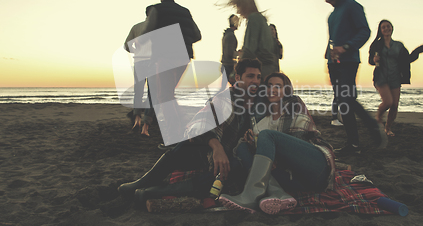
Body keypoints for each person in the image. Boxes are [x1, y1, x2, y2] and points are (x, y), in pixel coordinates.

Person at [118, 58, 264, 207]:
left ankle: (153, 192)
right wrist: (216, 147)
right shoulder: (225, 99)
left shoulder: (259, 104)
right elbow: (201, 122)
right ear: (238, 78)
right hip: (210, 154)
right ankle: (142, 183)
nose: (256, 81)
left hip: (232, 160)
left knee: (233, 166)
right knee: (186, 145)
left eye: (259, 77)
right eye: (250, 76)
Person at [218, 72, 336, 214]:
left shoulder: (294, 105)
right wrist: (251, 143)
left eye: (278, 86)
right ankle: (279, 193)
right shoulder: (259, 119)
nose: (272, 90)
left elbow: (301, 139)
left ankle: (251, 195)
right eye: (269, 86)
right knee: (242, 146)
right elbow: (260, 153)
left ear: (286, 90)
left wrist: (274, 156)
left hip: (314, 168)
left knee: (267, 135)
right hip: (294, 179)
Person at [316, 0, 388, 155]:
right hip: (333, 63)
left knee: (347, 99)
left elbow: (365, 31)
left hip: (349, 61)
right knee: (343, 102)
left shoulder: (352, 6)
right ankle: (353, 145)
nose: (327, 1)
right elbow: (333, 40)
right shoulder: (332, 15)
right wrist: (328, 57)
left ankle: (373, 127)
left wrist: (346, 47)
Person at [139, 0, 202, 140]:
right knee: (168, 95)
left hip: (165, 57)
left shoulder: (157, 9)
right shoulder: (185, 12)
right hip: (183, 57)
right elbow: (197, 35)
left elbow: (147, 31)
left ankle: (177, 134)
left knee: (163, 96)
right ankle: (181, 129)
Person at [368, 19, 423, 136]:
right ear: (380, 30)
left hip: (395, 78)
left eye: (388, 26)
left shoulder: (398, 45)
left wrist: (417, 51)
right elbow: (370, 61)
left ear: (392, 28)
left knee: (394, 105)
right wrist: (374, 60)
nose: (386, 29)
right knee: (388, 102)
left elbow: (407, 59)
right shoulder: (376, 45)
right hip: (381, 77)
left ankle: (388, 129)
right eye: (383, 27)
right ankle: (378, 117)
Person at [226, 0, 277, 81]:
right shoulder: (261, 19)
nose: (238, 11)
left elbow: (249, 50)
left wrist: (235, 74)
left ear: (245, 5)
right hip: (269, 69)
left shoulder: (254, 18)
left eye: (238, 6)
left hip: (261, 71)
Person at [123, 6, 152, 132]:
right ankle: (147, 123)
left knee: (138, 91)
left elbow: (126, 45)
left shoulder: (137, 27)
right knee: (152, 93)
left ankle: (136, 119)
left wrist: (135, 50)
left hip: (139, 61)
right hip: (153, 62)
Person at [220, 14, 239, 90]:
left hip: (225, 64)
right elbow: (229, 52)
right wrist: (239, 54)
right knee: (236, 86)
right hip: (229, 65)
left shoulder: (227, 34)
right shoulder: (230, 35)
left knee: (224, 87)